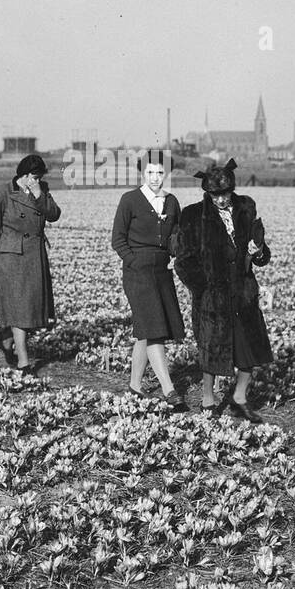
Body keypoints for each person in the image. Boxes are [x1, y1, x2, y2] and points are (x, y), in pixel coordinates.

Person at [174, 158, 273, 421]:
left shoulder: (245, 208)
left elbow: (262, 254)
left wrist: (259, 251)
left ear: (232, 190)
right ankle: (208, 399)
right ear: (207, 193)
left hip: (243, 292)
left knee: (249, 348)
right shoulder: (194, 215)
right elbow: (183, 261)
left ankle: (239, 398)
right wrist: (203, 289)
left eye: (225, 194)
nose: (221, 200)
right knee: (212, 348)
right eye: (215, 195)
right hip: (213, 296)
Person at [111, 151, 187, 411]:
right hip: (137, 273)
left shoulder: (172, 201)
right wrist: (133, 261)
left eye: (160, 173)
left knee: (147, 329)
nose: (155, 178)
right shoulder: (130, 200)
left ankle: (134, 385)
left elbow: (177, 237)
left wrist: (179, 250)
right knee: (155, 329)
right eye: (150, 172)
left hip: (162, 271)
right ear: (142, 173)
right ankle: (169, 389)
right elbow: (117, 239)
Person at [0, 154, 61, 372]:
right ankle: (23, 360)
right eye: (34, 177)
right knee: (21, 309)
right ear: (24, 175)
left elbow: (54, 215)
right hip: (12, 257)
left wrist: (39, 196)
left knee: (32, 307)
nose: (37, 180)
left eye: (39, 177)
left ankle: (9, 341)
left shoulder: (42, 189)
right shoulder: (2, 192)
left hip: (35, 256)